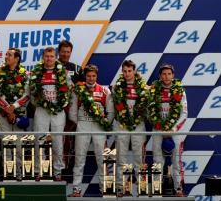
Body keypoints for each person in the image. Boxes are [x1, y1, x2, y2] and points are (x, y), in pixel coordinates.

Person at [69, 64, 114, 197]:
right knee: (79, 159)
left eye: (93, 76)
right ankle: (76, 189)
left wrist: (104, 124)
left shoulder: (105, 90)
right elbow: (72, 113)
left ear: (97, 76)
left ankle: (104, 188)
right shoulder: (78, 90)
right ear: (85, 76)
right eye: (88, 76)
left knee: (102, 159)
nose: (91, 78)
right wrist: (81, 124)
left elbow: (110, 113)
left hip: (99, 127)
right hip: (82, 125)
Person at [29, 47, 70, 181]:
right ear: (43, 57)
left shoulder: (62, 72)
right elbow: (31, 92)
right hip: (41, 110)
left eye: (52, 56)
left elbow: (69, 90)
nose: (49, 59)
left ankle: (57, 171)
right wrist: (40, 104)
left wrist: (62, 104)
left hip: (58, 111)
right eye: (47, 56)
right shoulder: (36, 72)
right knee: (39, 140)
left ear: (55, 57)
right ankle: (38, 170)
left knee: (58, 142)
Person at [148, 64, 187, 197]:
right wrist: (158, 125)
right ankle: (157, 188)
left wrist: (173, 128)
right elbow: (149, 112)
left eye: (169, 74)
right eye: (163, 74)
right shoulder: (153, 90)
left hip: (175, 130)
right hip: (158, 129)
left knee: (176, 161)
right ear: (160, 76)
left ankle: (178, 189)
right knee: (157, 161)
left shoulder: (180, 90)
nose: (166, 76)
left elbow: (184, 113)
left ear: (173, 75)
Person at [111, 60, 148, 197]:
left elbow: (147, 108)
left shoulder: (143, 87)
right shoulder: (117, 87)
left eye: (129, 71)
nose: (127, 74)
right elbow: (113, 109)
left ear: (134, 71)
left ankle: (141, 188)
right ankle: (121, 188)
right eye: (125, 71)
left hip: (138, 125)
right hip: (122, 126)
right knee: (121, 158)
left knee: (139, 159)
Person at [0, 48, 30, 179]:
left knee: (19, 146)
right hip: (4, 115)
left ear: (17, 58)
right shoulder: (0, 73)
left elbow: (27, 95)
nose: (6, 57)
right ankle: (8, 173)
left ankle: (19, 174)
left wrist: (13, 107)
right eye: (6, 54)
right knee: (6, 145)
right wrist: (8, 110)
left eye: (9, 55)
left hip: (19, 114)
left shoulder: (26, 74)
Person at [57, 40, 82, 180]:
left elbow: (83, 90)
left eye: (68, 52)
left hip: (70, 113)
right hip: (54, 111)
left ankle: (66, 171)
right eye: (63, 51)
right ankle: (55, 172)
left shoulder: (77, 69)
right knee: (54, 141)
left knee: (68, 142)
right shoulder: (50, 66)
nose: (66, 54)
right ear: (58, 52)